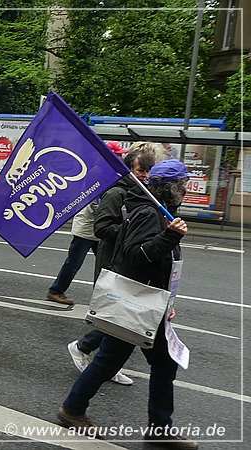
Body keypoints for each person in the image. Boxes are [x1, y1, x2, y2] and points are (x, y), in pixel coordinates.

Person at [59, 160, 196, 449]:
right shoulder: (148, 212)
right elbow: (135, 255)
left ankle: (159, 428)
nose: (186, 190)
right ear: (171, 187)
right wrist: (171, 236)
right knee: (109, 362)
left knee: (161, 365)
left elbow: (160, 262)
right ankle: (72, 410)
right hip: (136, 303)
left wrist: (167, 300)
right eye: (183, 184)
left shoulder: (158, 210)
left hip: (150, 303)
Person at [67, 144, 157, 386]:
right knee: (119, 318)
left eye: (148, 171)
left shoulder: (142, 193)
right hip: (113, 262)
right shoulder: (116, 193)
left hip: (129, 261)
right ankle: (84, 349)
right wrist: (133, 229)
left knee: (122, 317)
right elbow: (101, 228)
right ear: (128, 170)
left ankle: (101, 361)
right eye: (140, 170)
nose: (145, 175)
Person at [46, 143, 128, 304]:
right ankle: (55, 291)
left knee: (108, 263)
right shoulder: (98, 172)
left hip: (100, 226)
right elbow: (94, 201)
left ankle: (108, 295)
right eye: (118, 155)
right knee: (74, 262)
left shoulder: (112, 172)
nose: (121, 158)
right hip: (88, 225)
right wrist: (107, 215)